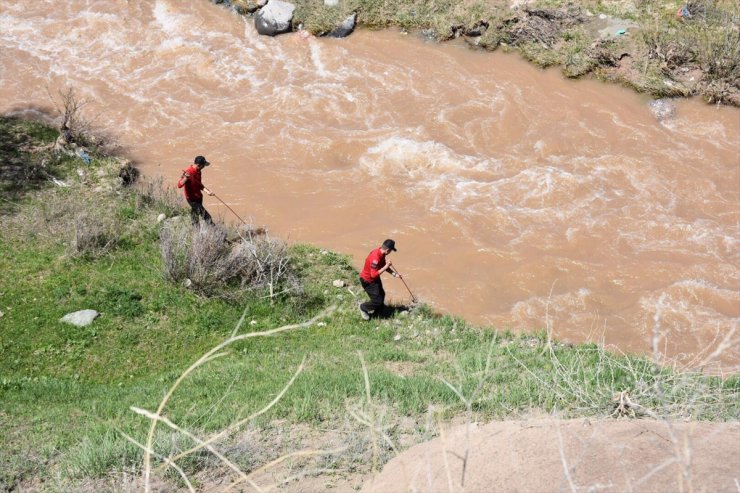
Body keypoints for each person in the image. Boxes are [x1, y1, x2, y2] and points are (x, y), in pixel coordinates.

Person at [359, 239, 403, 320]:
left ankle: (378, 313)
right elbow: (373, 275)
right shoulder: (375, 257)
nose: (390, 252)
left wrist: (395, 274)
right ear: (387, 250)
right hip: (367, 280)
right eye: (391, 251)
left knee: (382, 294)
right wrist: (386, 266)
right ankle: (363, 307)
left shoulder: (382, 253)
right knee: (377, 301)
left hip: (374, 279)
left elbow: (383, 267)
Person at [177, 155, 214, 225]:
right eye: (203, 165)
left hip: (199, 198)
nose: (204, 167)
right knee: (207, 217)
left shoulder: (199, 171)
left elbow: (199, 185)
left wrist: (207, 192)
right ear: (199, 165)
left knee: (195, 216)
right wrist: (185, 178)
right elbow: (179, 185)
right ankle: (217, 232)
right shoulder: (188, 172)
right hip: (192, 200)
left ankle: (196, 232)